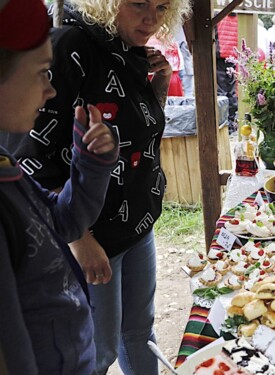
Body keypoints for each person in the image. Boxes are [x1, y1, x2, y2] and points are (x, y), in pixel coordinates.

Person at [0, 0, 190, 374]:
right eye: (138, 4)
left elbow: (138, 133)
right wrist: (80, 239)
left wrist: (160, 87)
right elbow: (32, 154)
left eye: (162, 6)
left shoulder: (129, 50)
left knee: (139, 332)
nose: (151, 17)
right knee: (98, 351)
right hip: (93, 233)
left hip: (136, 221)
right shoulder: (71, 45)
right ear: (106, 4)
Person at [0, 0, 119, 372]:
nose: (50, 91)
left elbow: (64, 222)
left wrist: (91, 164)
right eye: (40, 73)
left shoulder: (7, 167)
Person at [217, 12, 239, 131]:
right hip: (233, 55)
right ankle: (231, 121)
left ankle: (224, 122)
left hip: (220, 55)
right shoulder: (237, 15)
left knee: (221, 91)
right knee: (231, 90)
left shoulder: (219, 14)